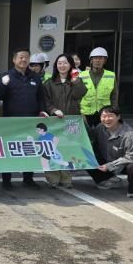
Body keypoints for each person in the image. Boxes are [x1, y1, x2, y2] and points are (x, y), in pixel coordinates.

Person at [0, 48, 46, 190]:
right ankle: (6, 180)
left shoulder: (35, 77)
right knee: (9, 150)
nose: (24, 60)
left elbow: (40, 97)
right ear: (14, 60)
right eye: (20, 57)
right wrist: (3, 85)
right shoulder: (5, 76)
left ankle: (28, 178)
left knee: (30, 149)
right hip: (11, 121)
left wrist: (42, 110)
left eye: (26, 57)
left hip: (31, 121)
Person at [42, 53, 87, 188]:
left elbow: (80, 94)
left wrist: (76, 81)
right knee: (52, 149)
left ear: (71, 65)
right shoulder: (49, 83)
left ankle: (66, 178)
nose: (62, 66)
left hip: (71, 121)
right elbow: (46, 101)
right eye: (59, 63)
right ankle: (53, 178)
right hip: (54, 121)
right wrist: (54, 110)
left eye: (65, 63)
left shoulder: (75, 81)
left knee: (68, 148)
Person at [87, 106, 133, 198]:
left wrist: (109, 166)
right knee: (86, 156)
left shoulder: (129, 135)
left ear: (118, 117)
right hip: (109, 159)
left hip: (128, 162)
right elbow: (88, 139)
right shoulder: (100, 128)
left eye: (110, 116)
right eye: (103, 116)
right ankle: (108, 180)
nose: (107, 119)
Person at [79, 47, 117, 128]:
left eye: (100, 58)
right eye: (95, 58)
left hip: (105, 113)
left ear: (104, 61)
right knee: (87, 134)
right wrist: (78, 112)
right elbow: (77, 95)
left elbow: (114, 95)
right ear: (91, 60)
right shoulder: (82, 75)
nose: (98, 60)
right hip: (85, 113)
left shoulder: (111, 75)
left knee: (103, 134)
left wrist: (114, 111)